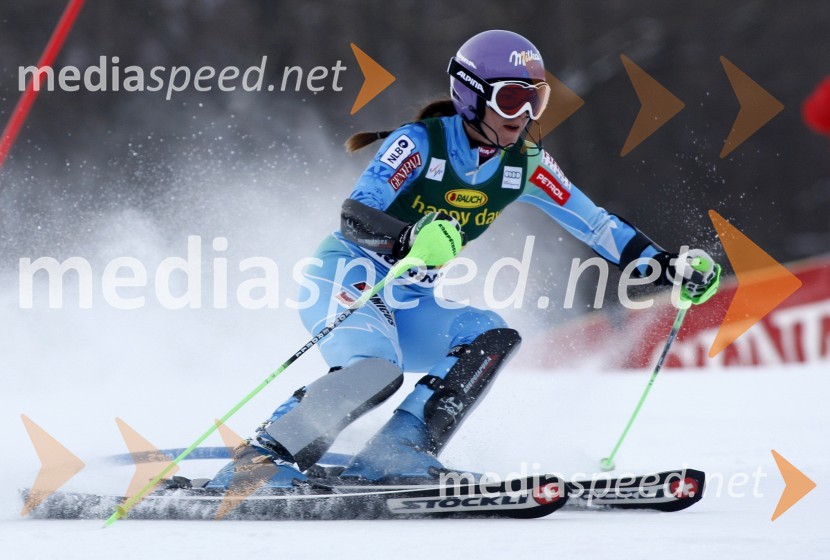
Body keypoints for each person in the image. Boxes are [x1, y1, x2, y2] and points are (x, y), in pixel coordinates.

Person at [208, 30, 720, 489]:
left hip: (408, 303)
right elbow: (355, 216)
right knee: (375, 371)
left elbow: (598, 226)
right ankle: (258, 461)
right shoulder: (419, 144)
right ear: (470, 96)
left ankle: (395, 452)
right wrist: (409, 237)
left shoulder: (524, 165)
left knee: (490, 335)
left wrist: (666, 265)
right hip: (350, 279)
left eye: (534, 101)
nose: (523, 116)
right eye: (511, 99)